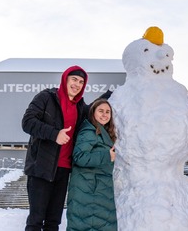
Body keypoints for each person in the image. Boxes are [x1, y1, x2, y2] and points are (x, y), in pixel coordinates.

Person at [22, 65, 88, 231]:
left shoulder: (80, 106)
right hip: (41, 168)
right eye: (74, 79)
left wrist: (111, 95)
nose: (77, 84)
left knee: (54, 221)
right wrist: (54, 134)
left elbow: (96, 111)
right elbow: (27, 122)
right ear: (65, 79)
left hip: (64, 170)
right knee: (36, 221)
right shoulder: (46, 97)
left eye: (81, 81)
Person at [66, 98, 117, 231]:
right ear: (93, 113)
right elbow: (79, 157)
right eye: (100, 111)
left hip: (96, 189)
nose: (104, 114)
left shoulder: (101, 131)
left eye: (107, 112)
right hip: (88, 189)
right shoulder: (89, 131)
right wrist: (107, 156)